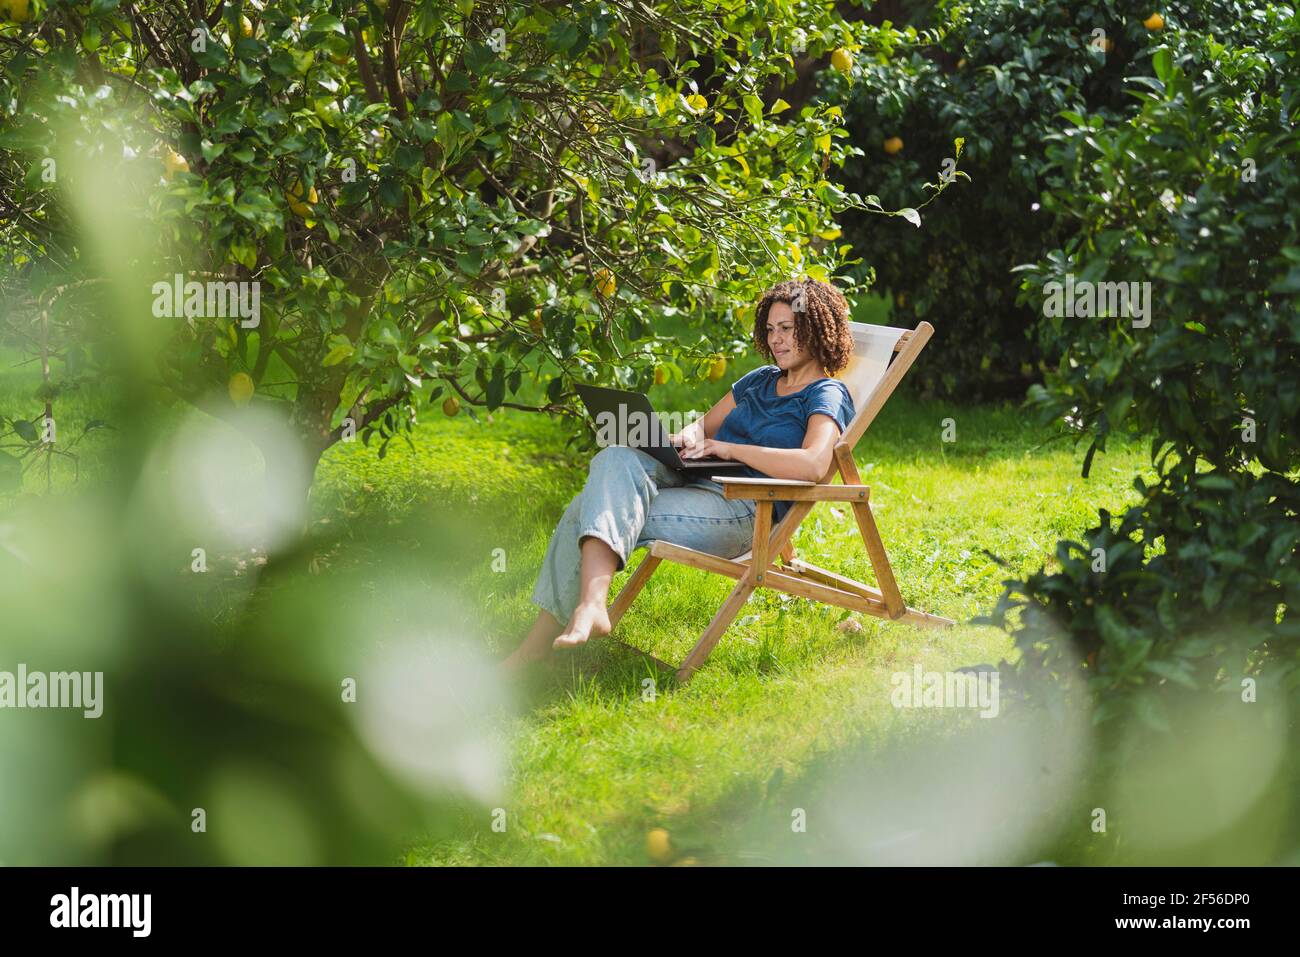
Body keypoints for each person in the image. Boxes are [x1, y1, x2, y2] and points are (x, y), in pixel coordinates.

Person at [500, 278, 857, 670]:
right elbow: (702, 427)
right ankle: (588, 607)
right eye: (771, 329)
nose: (776, 339)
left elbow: (814, 464)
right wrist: (682, 439)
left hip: (745, 508)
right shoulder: (760, 380)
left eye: (787, 328)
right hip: (700, 480)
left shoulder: (825, 393)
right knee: (617, 455)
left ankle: (546, 639)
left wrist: (728, 448)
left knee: (590, 508)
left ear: (816, 329)